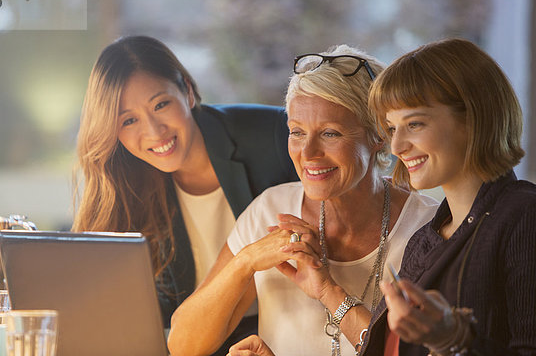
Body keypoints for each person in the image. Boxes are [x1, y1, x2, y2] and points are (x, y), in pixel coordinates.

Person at [168, 45, 439, 356]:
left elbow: (413, 352)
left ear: (379, 135)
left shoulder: (429, 228)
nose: (308, 153)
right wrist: (246, 261)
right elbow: (182, 346)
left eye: (330, 134)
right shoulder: (269, 210)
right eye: (297, 132)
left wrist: (328, 291)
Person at [72, 36, 299, 355]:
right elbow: (145, 322)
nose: (153, 131)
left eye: (160, 104)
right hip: (196, 343)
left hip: (285, 335)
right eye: (129, 120)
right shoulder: (127, 187)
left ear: (188, 91)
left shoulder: (273, 135)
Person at [359, 38, 536, 355]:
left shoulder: (525, 216)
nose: (397, 147)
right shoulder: (424, 240)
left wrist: (454, 340)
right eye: (391, 127)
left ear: (473, 119)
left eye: (414, 124)